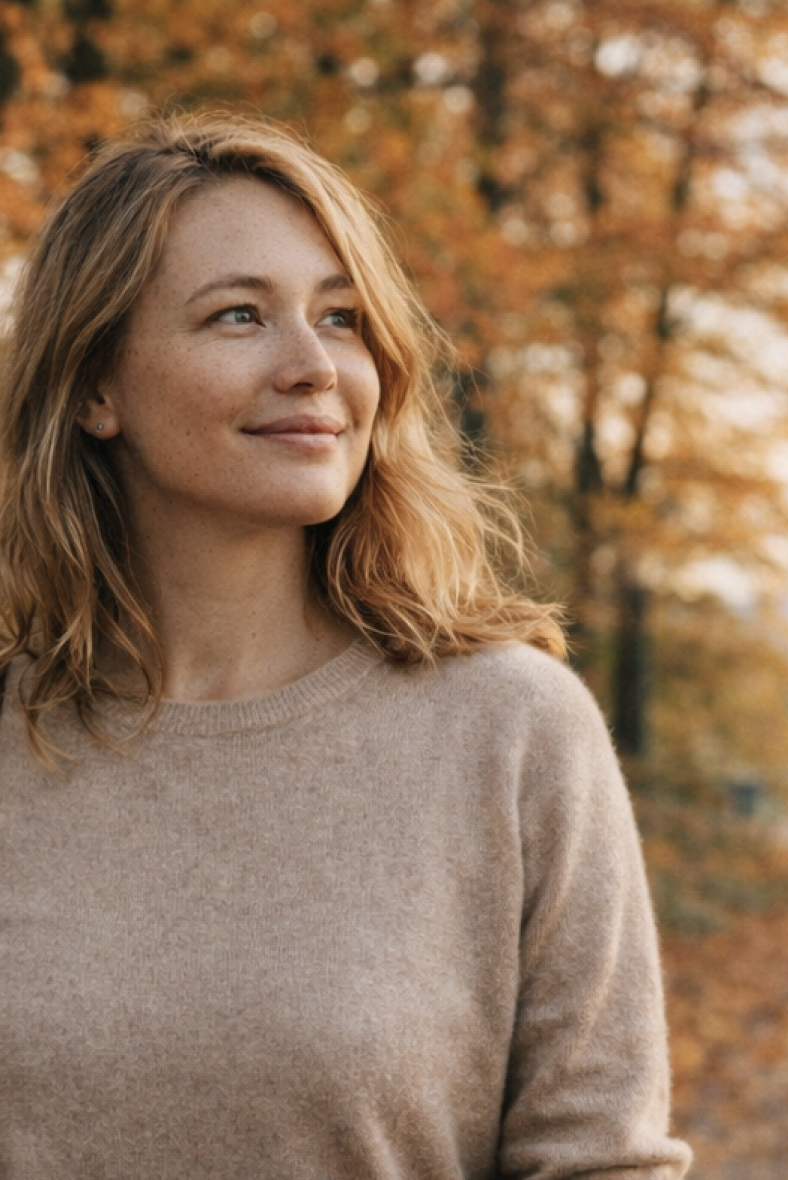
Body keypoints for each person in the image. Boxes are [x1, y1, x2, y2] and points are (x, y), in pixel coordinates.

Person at [0, 112, 692, 1179]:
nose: (316, 366)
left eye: (343, 316)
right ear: (95, 386)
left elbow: (599, 1159)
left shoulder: (508, 729)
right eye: (239, 316)